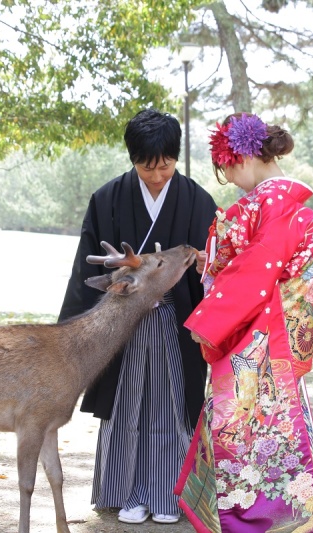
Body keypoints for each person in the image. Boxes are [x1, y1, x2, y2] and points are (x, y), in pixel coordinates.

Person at [174, 112, 313, 532]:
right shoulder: (292, 210)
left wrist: (207, 320)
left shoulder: (267, 205)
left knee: (246, 443)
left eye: (226, 170)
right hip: (273, 340)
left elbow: (252, 271)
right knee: (273, 438)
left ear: (241, 158)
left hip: (253, 342)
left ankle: (263, 525)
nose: (228, 179)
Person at [59, 108, 218, 525]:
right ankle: (125, 491)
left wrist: (204, 264)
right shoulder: (107, 199)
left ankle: (170, 493)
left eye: (165, 165)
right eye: (147, 167)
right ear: (132, 158)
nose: (157, 176)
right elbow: (86, 270)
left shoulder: (198, 200)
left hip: (175, 320)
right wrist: (71, 335)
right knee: (126, 405)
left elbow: (218, 266)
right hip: (122, 321)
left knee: (171, 405)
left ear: (176, 158)